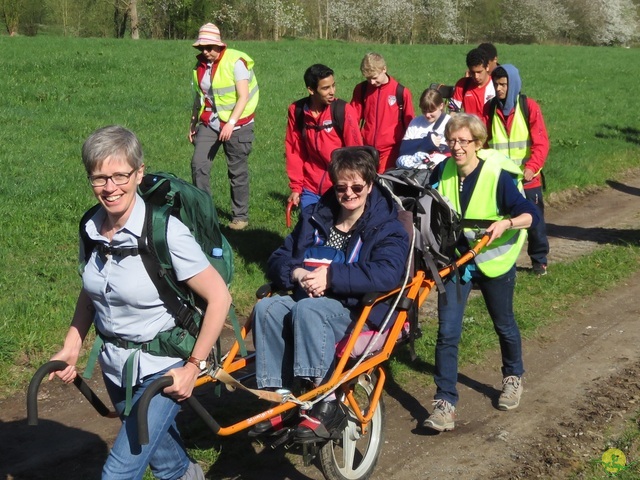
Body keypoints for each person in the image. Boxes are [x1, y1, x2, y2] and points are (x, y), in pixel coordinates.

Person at [49, 126, 232, 479]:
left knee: (118, 474)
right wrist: (72, 345)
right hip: (115, 367)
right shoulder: (91, 227)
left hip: (162, 366)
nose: (110, 187)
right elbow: (93, 290)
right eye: (99, 178)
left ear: (139, 173)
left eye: (120, 175)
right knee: (168, 464)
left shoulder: (165, 232)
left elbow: (219, 297)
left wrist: (192, 367)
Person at [253, 146, 409, 441]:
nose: (349, 193)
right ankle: (280, 397)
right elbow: (279, 258)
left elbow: (387, 273)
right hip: (308, 299)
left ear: (370, 185)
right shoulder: (315, 218)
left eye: (357, 186)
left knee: (308, 310)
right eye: (341, 187)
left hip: (354, 308)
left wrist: (331, 277)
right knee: (267, 309)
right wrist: (296, 273)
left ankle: (324, 400)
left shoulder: (386, 227)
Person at [421, 114, 539, 432]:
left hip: (494, 261)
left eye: (463, 141)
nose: (457, 147)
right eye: (452, 141)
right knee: (447, 333)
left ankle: (513, 377)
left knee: (504, 324)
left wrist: (506, 223)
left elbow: (531, 214)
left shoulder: (496, 176)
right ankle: (444, 403)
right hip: (457, 263)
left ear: (478, 143)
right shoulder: (441, 171)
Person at [189, 23, 259, 231]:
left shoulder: (236, 62)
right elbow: (199, 97)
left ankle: (240, 217)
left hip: (238, 125)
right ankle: (205, 212)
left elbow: (243, 96)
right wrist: (192, 123)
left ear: (219, 45)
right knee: (198, 165)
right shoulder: (199, 67)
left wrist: (231, 123)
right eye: (202, 48)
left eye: (210, 47)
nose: (206, 52)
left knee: (237, 172)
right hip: (209, 123)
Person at [487, 64, 550, 276]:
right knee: (502, 223)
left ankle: (539, 261)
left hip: (528, 180)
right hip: (501, 180)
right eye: (496, 85)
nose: (499, 89)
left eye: (503, 84)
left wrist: (531, 168)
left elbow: (541, 144)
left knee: (535, 223)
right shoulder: (490, 109)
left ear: (513, 84)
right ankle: (504, 263)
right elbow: (484, 142)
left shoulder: (528, 107)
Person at [286, 64, 363, 210]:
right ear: (311, 90)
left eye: (333, 86)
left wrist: (351, 187)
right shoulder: (297, 112)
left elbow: (356, 153)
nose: (332, 92)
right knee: (309, 229)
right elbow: (294, 151)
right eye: (325, 88)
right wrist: (296, 187)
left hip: (340, 187)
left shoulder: (343, 110)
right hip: (310, 187)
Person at [350, 52, 415, 173]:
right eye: (368, 79)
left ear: (384, 69)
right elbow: (352, 119)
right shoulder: (362, 89)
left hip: (390, 151)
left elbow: (410, 125)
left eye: (374, 78)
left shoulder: (401, 92)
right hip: (366, 150)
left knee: (382, 184)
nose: (372, 82)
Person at [396, 88, 451, 170]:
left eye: (431, 111)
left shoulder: (450, 123)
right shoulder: (415, 122)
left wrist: (417, 145)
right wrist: (427, 143)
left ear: (441, 106)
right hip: (413, 169)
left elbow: (449, 151)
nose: (427, 115)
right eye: (424, 111)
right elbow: (404, 150)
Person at [449, 48, 495, 122]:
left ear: (487, 67)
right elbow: (453, 111)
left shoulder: (496, 86)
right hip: (469, 131)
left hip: (490, 132)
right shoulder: (462, 85)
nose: (476, 76)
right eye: (473, 72)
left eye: (479, 72)